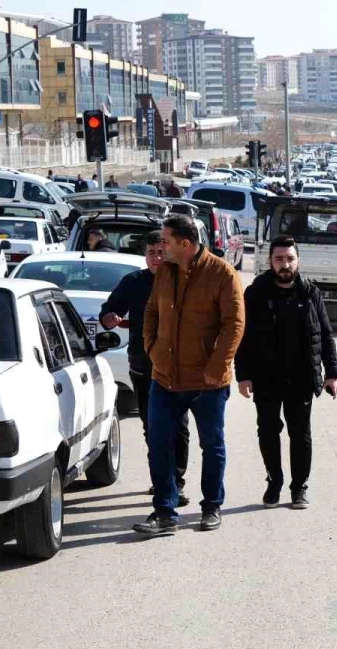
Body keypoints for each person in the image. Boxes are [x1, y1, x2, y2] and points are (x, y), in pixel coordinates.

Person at [135, 215, 245, 536]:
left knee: (211, 444)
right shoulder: (166, 272)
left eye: (166, 242)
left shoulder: (222, 274)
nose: (160, 248)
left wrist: (215, 366)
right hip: (165, 377)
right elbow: (152, 311)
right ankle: (164, 510)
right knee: (158, 442)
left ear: (185, 244)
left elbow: (233, 325)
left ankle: (211, 506)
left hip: (207, 382)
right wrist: (152, 348)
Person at [235, 237, 337, 510]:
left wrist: (332, 374)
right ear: (270, 261)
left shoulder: (310, 292)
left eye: (290, 259)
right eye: (279, 259)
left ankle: (299, 488)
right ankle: (274, 481)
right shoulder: (256, 292)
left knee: (300, 435)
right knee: (268, 432)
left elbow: (325, 334)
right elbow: (242, 337)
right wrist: (243, 374)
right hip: (266, 378)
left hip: (301, 377)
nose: (285, 264)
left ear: (298, 261)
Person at [100, 231, 191, 506]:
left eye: (162, 252)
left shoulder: (183, 280)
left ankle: (177, 481)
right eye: (151, 253)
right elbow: (109, 310)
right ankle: (161, 480)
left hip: (179, 367)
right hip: (143, 367)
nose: (157, 258)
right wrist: (110, 318)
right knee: (152, 426)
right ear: (145, 255)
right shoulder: (134, 282)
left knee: (179, 426)